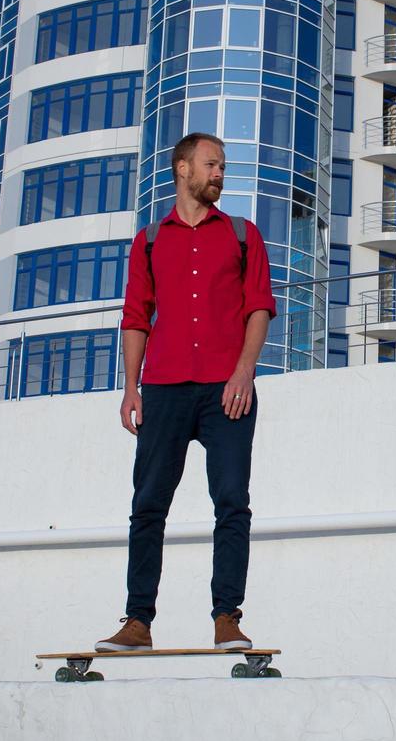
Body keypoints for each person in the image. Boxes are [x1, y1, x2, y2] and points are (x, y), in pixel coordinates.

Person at [96, 132, 276, 653]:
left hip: (228, 390)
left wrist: (244, 372)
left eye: (223, 167)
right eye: (211, 165)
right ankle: (137, 622)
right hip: (164, 389)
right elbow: (135, 317)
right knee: (148, 504)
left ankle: (227, 618)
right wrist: (130, 388)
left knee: (232, 502)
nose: (220, 174)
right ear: (182, 169)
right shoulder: (150, 240)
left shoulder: (243, 235)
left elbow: (258, 307)